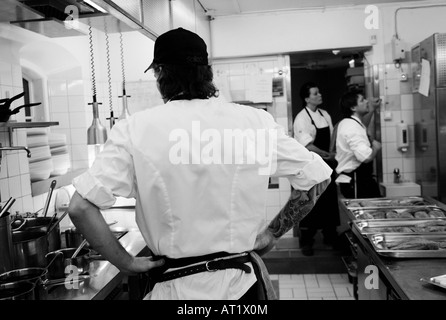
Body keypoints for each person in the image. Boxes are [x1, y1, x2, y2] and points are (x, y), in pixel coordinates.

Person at [67, 27, 332, 300]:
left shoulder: (134, 130)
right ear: (208, 73)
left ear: (159, 74)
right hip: (241, 287)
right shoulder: (255, 122)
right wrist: (272, 233)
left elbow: (80, 207)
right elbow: (317, 176)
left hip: (174, 290)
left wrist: (126, 261)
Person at [292, 82, 340, 256]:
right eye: (315, 93)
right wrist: (325, 154)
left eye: (318, 92)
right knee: (312, 204)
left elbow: (333, 135)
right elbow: (307, 145)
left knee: (329, 202)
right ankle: (307, 242)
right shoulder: (301, 118)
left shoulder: (324, 114)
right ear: (306, 98)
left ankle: (330, 237)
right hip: (312, 165)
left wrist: (332, 152)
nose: (319, 95)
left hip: (327, 164)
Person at [335, 90, 382, 199]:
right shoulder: (352, 127)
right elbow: (366, 157)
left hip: (358, 180)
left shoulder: (349, 123)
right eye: (362, 100)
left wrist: (372, 108)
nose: (366, 102)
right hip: (356, 181)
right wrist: (375, 147)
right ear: (353, 108)